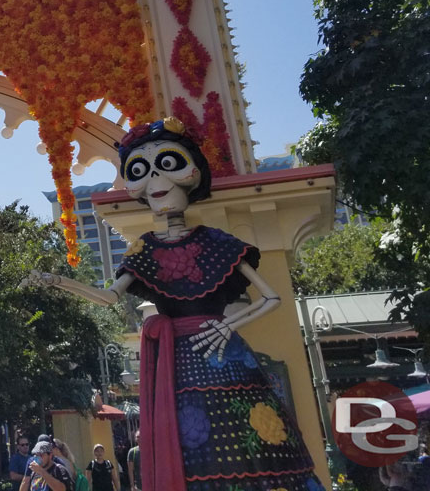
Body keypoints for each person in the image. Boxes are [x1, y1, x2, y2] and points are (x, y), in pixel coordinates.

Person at [22, 118, 326, 491]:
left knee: (252, 436)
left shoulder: (218, 242)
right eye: (141, 172)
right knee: (183, 436)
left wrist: (229, 325)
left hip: (222, 354)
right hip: (175, 363)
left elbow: (272, 297)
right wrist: (58, 280)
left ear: (192, 173)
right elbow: (108, 297)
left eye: (166, 165)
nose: (155, 181)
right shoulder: (145, 249)